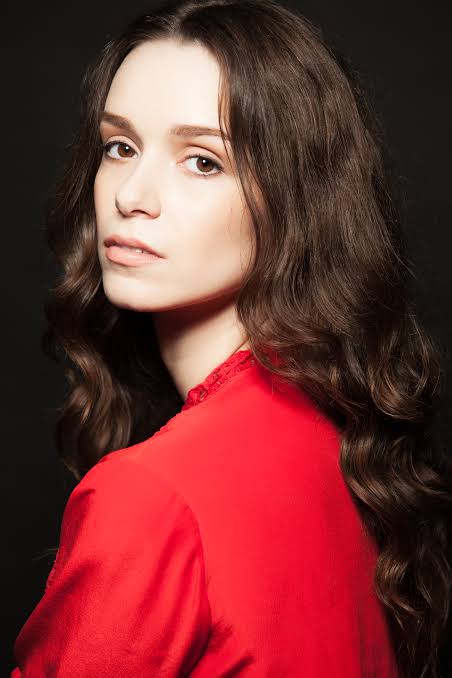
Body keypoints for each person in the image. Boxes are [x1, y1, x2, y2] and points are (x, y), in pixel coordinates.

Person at [11, 0, 452, 676]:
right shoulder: (342, 442)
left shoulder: (151, 497)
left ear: (294, 200)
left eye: (203, 161)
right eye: (120, 147)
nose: (132, 195)